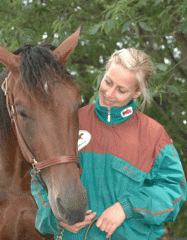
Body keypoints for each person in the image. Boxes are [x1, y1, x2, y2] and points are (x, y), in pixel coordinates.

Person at [31, 48, 186, 239]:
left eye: (121, 90)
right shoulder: (70, 122)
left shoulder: (154, 136)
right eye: (108, 82)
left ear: (137, 92)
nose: (109, 94)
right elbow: (39, 176)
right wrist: (56, 218)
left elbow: (174, 190)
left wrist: (126, 207)